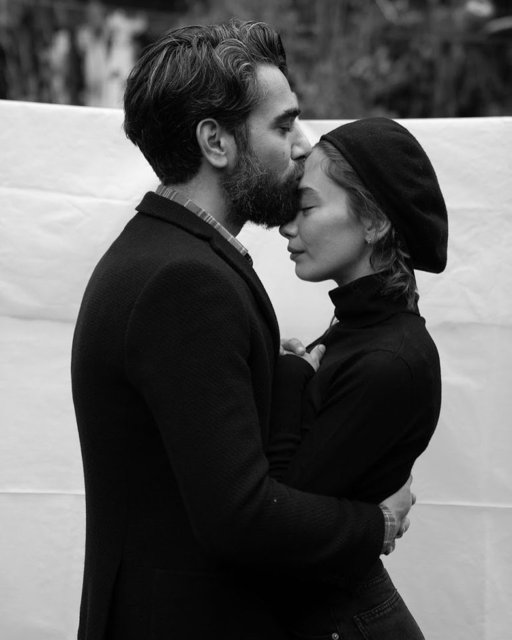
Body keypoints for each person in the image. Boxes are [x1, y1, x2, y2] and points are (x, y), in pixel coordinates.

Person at [71, 22, 414, 640]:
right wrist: (376, 524)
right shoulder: (184, 280)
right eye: (283, 126)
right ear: (217, 142)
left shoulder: (168, 254)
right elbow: (240, 516)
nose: (303, 146)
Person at [269, 117, 448, 639]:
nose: (286, 227)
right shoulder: (359, 331)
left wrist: (289, 382)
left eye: (305, 208)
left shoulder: (391, 359)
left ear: (373, 222)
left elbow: (280, 519)